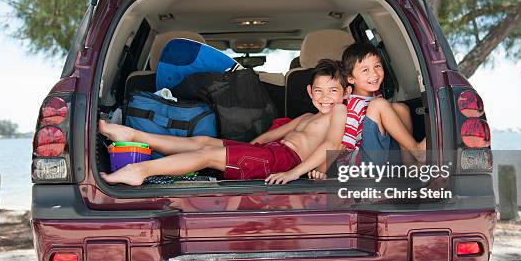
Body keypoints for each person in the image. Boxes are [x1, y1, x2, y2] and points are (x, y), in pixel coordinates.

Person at [98, 59, 349, 186]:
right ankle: (133, 135)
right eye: (319, 91)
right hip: (268, 153)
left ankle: (139, 171)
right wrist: (245, 148)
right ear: (309, 91)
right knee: (205, 142)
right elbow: (268, 137)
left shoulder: (340, 113)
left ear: (346, 93)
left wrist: (299, 172)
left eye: (333, 91)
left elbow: (334, 144)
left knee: (207, 154)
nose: (325, 98)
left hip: (285, 162)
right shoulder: (307, 117)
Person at [341, 42, 426, 165]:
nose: (374, 74)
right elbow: (346, 143)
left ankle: (409, 164)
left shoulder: (376, 96)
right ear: (351, 78)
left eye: (377, 66)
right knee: (379, 104)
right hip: (361, 165)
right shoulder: (353, 105)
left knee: (401, 108)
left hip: (382, 154)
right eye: (365, 70)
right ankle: (417, 151)